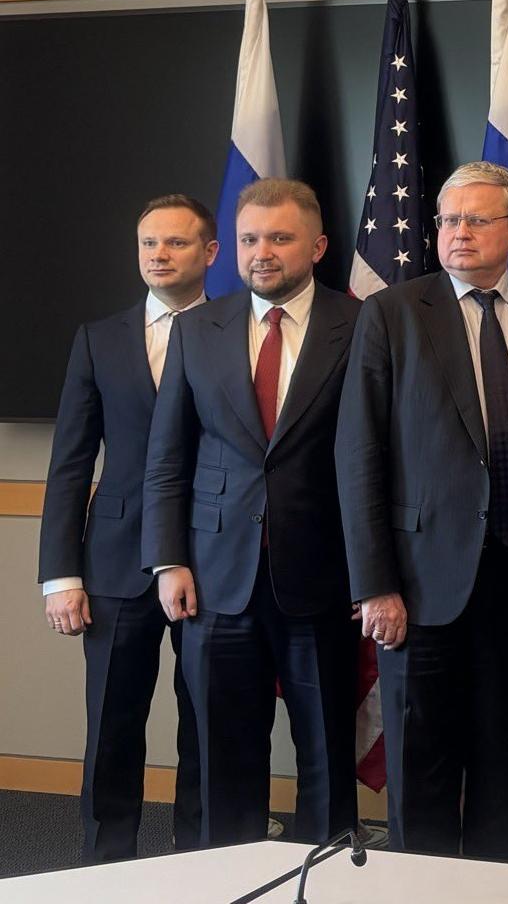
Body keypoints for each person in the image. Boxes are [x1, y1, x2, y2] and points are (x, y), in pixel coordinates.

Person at [337, 161, 508, 859]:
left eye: (477, 220)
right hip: (418, 583)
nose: (459, 234)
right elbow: (359, 455)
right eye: (448, 220)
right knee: (422, 764)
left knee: (503, 761)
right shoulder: (392, 312)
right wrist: (373, 584)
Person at [141, 178, 361, 847]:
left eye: (279, 237)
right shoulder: (196, 329)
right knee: (221, 757)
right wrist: (168, 560)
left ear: (317, 245)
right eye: (248, 239)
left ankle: (323, 884)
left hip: (321, 578)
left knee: (326, 753)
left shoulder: (361, 325)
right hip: (213, 578)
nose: (261, 251)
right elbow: (168, 456)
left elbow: (377, 457)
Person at [40, 194, 212, 860]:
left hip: (213, 558)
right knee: (112, 726)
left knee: (204, 726)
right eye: (149, 244)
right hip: (112, 562)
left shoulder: (238, 330)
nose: (160, 255)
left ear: (210, 253)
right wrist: (61, 575)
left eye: (175, 243)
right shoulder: (98, 338)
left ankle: (202, 860)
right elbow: (69, 464)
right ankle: (103, 865)